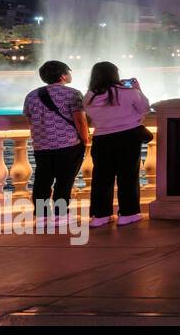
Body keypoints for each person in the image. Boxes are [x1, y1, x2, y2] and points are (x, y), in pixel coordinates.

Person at [83, 62, 151, 227]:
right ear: (115, 75)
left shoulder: (89, 97)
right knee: (128, 176)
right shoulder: (128, 92)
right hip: (127, 137)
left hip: (101, 139)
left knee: (101, 178)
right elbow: (145, 108)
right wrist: (138, 89)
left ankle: (100, 215)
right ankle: (128, 213)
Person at [22, 60, 89, 223]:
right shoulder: (73, 94)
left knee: (42, 180)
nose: (70, 74)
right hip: (67, 144)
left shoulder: (31, 95)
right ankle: (60, 215)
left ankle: (41, 215)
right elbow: (80, 121)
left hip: (41, 145)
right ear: (63, 75)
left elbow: (30, 120)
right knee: (65, 179)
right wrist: (85, 139)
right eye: (69, 71)